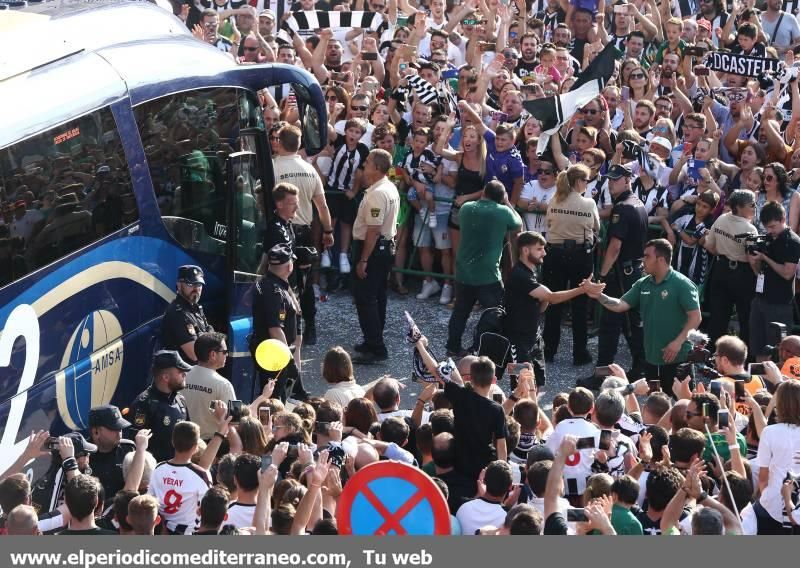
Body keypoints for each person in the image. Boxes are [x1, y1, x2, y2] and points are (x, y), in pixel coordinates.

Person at [584, 239, 702, 393]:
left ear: (660, 259)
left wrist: (677, 343)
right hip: (652, 358)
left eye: (647, 256)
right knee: (656, 404)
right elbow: (620, 305)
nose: (642, 260)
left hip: (678, 358)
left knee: (683, 406)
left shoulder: (682, 284)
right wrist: (598, 295)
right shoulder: (643, 283)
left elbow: (696, 317)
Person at [504, 231, 595, 386]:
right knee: (520, 388)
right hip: (518, 343)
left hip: (535, 339)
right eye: (539, 249)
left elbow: (542, 307)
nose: (544, 253)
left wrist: (544, 298)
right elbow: (552, 297)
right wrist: (582, 289)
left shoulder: (531, 272)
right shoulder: (520, 275)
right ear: (526, 250)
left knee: (537, 384)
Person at [272, 124, 335, 345]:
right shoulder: (309, 170)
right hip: (305, 234)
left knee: (281, 281)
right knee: (306, 284)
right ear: (299, 144)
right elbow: (323, 206)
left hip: (281, 232)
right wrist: (328, 231)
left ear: (279, 142)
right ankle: (310, 328)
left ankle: (286, 328)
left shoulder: (272, 168)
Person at [446, 180, 522, 356]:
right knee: (495, 312)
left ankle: (452, 346)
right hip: (488, 275)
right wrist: (508, 202)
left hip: (463, 271)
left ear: (483, 193)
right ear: (501, 198)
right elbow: (518, 223)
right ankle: (482, 347)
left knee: (460, 312)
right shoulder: (503, 212)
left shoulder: (466, 208)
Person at [590, 164, 648, 380]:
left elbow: (615, 247)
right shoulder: (637, 203)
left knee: (611, 324)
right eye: (610, 179)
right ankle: (641, 368)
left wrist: (602, 276)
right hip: (633, 270)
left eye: (616, 179)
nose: (611, 183)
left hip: (621, 273)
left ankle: (603, 374)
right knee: (631, 322)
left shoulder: (623, 207)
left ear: (627, 180)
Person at [541, 164, 600, 365]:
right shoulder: (589, 204)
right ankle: (580, 353)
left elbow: (549, 222)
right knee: (580, 306)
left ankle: (548, 350)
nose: (587, 183)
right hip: (580, 255)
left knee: (553, 302)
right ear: (578, 182)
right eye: (586, 180)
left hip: (555, 253)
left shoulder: (554, 200)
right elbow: (597, 226)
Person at [351, 149, 400, 364]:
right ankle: (373, 340)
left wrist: (363, 260)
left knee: (366, 298)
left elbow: (373, 229)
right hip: (383, 247)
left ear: (377, 168)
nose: (364, 164)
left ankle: (376, 346)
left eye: (368, 161)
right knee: (377, 296)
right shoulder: (385, 187)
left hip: (374, 248)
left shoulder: (378, 192)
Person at [702, 190, 759, 349]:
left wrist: (725, 250)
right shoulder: (750, 229)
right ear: (740, 207)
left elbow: (710, 245)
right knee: (746, 318)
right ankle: (746, 360)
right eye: (752, 204)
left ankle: (711, 357)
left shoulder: (721, 219)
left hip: (720, 271)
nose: (755, 207)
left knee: (717, 318)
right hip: (742, 274)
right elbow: (752, 259)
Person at [251, 243, 307, 402]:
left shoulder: (272, 285)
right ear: (289, 266)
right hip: (274, 355)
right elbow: (275, 330)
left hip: (273, 352)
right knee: (274, 401)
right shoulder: (275, 291)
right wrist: (289, 359)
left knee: (276, 397)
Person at [747, 202, 800, 359]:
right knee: (758, 348)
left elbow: (787, 273)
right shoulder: (767, 239)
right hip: (760, 299)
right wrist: (754, 261)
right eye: (767, 228)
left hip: (779, 304)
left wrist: (765, 257)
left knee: (779, 353)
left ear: (783, 219)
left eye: (772, 227)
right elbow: (758, 272)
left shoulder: (792, 242)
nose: (770, 231)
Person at [128, 350, 191, 463]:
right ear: (166, 377)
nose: (185, 374)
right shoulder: (144, 404)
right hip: (155, 473)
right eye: (181, 372)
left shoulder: (180, 400)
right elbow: (134, 446)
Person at [147, 421, 211, 535]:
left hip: (159, 529)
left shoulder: (158, 468)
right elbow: (207, 509)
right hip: (187, 533)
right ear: (196, 447)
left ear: (172, 442)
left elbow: (149, 499)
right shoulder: (200, 475)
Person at [753, 380, 800, 534]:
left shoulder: (770, 432)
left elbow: (763, 474)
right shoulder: (769, 432)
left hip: (772, 502)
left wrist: (766, 494)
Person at [182, 332, 237, 440]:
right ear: (213, 355)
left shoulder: (182, 376)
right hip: (212, 445)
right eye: (225, 351)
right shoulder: (224, 384)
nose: (227, 354)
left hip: (183, 442)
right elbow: (236, 420)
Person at [161, 265, 213, 363]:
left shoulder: (196, 308)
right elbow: (194, 354)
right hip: (183, 374)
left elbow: (210, 332)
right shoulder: (177, 313)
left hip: (198, 370)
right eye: (190, 284)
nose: (196, 289)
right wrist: (208, 339)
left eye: (199, 285)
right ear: (179, 285)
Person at [86, 404, 134, 506]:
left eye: (121, 427)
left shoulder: (129, 449)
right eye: (114, 428)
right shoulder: (81, 455)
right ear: (96, 432)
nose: (120, 431)